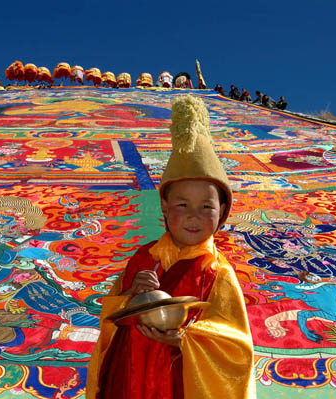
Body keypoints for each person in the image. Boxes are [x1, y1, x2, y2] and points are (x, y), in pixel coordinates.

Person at [87, 95, 255, 399]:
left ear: (223, 211)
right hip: (131, 372)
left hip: (179, 380)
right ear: (164, 207)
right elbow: (111, 319)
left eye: (207, 205)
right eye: (182, 204)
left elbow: (236, 349)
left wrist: (185, 339)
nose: (194, 215)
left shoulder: (217, 272)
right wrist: (129, 298)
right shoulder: (143, 258)